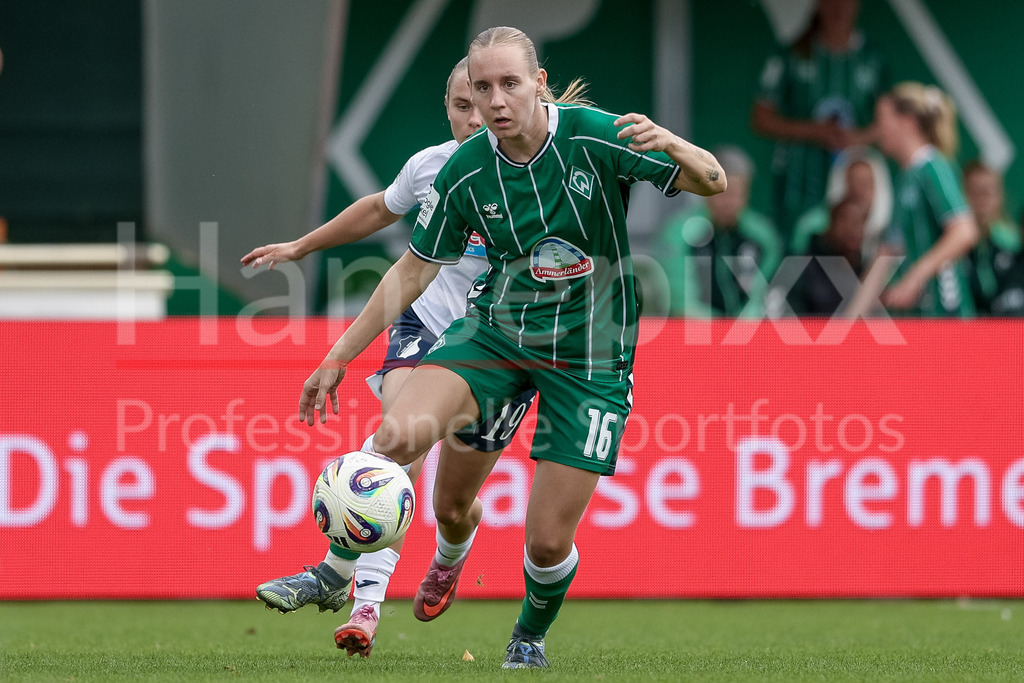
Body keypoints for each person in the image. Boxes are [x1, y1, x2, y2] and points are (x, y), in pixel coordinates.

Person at [296, 26, 725, 669]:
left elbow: (713, 181)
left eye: (509, 84)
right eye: (481, 87)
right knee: (395, 438)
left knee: (548, 543)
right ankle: (339, 574)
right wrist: (338, 356)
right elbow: (413, 271)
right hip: (496, 334)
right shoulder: (467, 169)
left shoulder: (592, 135)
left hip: (591, 354)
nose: (495, 101)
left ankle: (528, 636)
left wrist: (672, 143)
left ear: (538, 84)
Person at [242, 58, 535, 658]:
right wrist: (303, 245)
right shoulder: (431, 169)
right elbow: (378, 209)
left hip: (498, 348)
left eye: (486, 99)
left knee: (452, 508)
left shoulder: (537, 178)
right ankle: (353, 594)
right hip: (426, 326)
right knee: (395, 444)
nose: (476, 116)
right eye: (463, 103)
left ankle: (450, 558)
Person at [751, 0, 886, 242]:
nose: (839, 8)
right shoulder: (793, 54)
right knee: (800, 247)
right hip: (800, 182)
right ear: (819, 5)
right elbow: (761, 117)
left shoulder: (872, 58)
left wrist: (858, 138)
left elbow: (889, 122)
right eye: (832, 2)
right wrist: (814, 131)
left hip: (850, 181)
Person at [845, 82, 979, 317]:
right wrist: (845, 325)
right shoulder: (905, 177)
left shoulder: (934, 167)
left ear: (907, 122)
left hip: (947, 315)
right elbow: (887, 254)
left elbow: (964, 231)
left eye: (882, 120)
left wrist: (915, 277)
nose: (876, 130)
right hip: (919, 318)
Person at [656, 145, 781, 318]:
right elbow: (682, 302)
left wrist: (741, 330)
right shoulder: (680, 233)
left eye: (737, 193)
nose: (729, 201)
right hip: (692, 337)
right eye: (722, 193)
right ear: (704, 189)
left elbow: (764, 294)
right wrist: (721, 332)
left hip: (749, 335)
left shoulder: (763, 235)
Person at [789, 145, 892, 260]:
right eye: (853, 182)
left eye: (866, 183)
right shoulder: (813, 226)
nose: (859, 191)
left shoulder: (890, 231)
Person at [961, 160, 1024, 315]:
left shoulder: (1016, 243)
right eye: (974, 193)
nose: (982, 201)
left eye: (988, 193)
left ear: (1000, 196)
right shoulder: (952, 249)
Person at [789, 196, 869, 316]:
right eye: (846, 221)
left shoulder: (865, 271)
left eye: (859, 223)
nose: (853, 229)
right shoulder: (808, 264)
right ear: (831, 224)